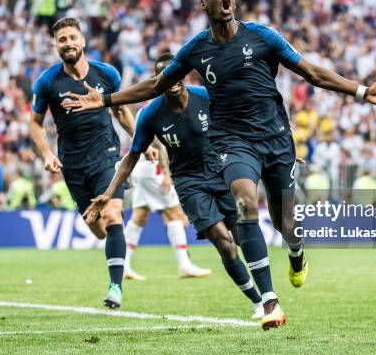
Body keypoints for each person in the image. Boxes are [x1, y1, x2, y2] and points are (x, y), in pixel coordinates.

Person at [61, 0, 376, 327]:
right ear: (204, 5)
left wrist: (363, 92)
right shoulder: (195, 49)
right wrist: (104, 100)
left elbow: (312, 73)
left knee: (286, 221)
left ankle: (296, 252)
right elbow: (155, 84)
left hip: (275, 137)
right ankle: (270, 302)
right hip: (232, 141)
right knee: (244, 202)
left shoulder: (263, 36)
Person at [85, 54, 264, 320]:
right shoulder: (150, 114)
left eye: (175, 73)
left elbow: (240, 121)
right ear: (158, 80)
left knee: (242, 239)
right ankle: (258, 302)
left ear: (183, 74)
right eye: (164, 75)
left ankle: (268, 296)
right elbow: (131, 157)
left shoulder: (206, 96)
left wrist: (268, 146)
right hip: (190, 183)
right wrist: (109, 194)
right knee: (225, 244)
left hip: (222, 173)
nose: (171, 79)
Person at [29, 17, 156, 309]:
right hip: (73, 165)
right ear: (56, 45)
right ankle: (113, 248)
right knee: (99, 227)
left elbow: (122, 113)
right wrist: (47, 153)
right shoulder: (47, 82)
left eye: (73, 37)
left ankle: (116, 288)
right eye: (62, 40)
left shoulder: (106, 73)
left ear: (83, 41)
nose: (68, 43)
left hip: (107, 156)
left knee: (113, 216)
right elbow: (35, 124)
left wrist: (141, 142)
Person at [125, 130, 211, 280]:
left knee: (139, 217)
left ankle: (123, 265)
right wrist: (166, 173)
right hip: (153, 169)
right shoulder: (158, 110)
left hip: (140, 169)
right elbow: (158, 145)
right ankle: (185, 264)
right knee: (176, 214)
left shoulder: (142, 112)